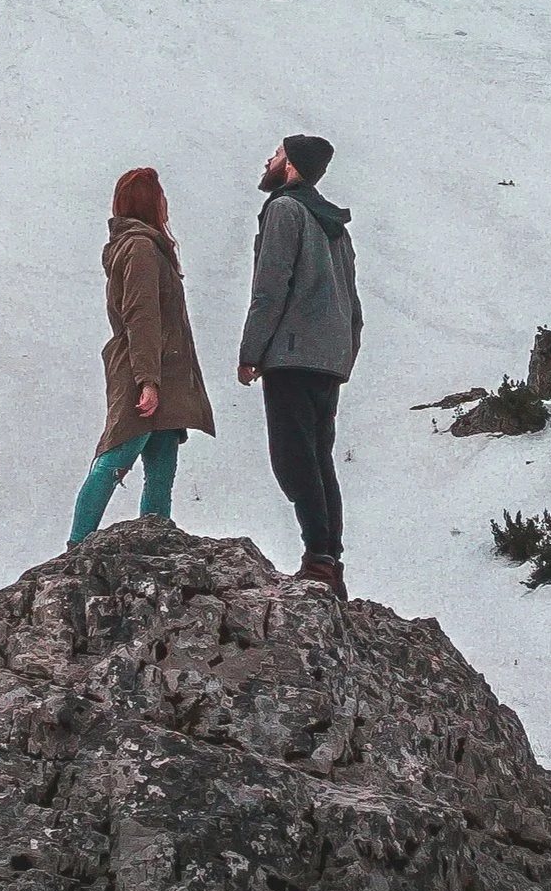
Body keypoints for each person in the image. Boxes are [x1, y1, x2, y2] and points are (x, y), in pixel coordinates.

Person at [236, 133, 362, 594]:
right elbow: (352, 300)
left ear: (290, 166)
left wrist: (252, 353)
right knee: (319, 458)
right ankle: (330, 559)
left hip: (291, 353)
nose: (268, 159)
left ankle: (319, 559)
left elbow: (270, 288)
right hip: (328, 358)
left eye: (276, 153)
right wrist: (345, 351)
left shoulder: (284, 210)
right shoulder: (334, 224)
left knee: (293, 460)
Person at [68, 165, 216, 543]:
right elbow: (141, 314)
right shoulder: (141, 247)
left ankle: (155, 543)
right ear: (152, 204)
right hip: (147, 368)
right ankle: (75, 548)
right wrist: (146, 380)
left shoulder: (146, 247)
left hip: (164, 370)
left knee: (162, 466)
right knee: (116, 458)